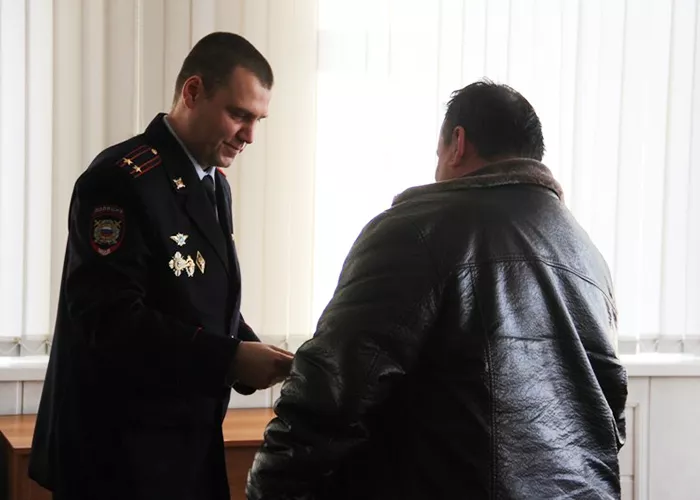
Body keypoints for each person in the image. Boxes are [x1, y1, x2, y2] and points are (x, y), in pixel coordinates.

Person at [247, 80, 628, 500]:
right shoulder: (588, 255)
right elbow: (609, 414)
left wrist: (269, 489)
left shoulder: (416, 230)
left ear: (457, 144)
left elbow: (331, 393)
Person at [29, 32, 293, 500]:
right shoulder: (120, 180)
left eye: (258, 120)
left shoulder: (212, 181)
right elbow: (109, 320)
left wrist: (257, 352)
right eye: (239, 115)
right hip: (118, 458)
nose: (250, 135)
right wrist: (231, 358)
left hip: (182, 446)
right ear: (193, 92)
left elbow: (196, 298)